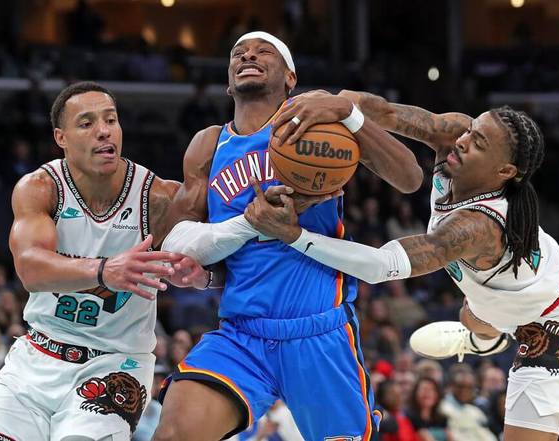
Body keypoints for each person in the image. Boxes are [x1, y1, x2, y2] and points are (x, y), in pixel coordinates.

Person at [244, 92, 559, 441]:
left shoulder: (479, 227)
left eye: (478, 143)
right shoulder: (456, 136)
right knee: (471, 317)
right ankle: (482, 339)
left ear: (505, 170)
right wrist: (338, 104)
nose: (463, 141)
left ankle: (485, 335)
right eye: (471, 130)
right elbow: (382, 111)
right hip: (499, 295)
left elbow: (381, 265)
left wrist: (294, 235)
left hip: (552, 317)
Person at [153, 31, 423, 441]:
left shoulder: (320, 124)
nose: (249, 55)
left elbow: (410, 178)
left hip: (319, 331)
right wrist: (230, 248)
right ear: (228, 82)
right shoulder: (209, 144)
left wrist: (349, 114)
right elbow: (176, 241)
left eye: (264, 51)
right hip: (241, 333)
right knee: (174, 434)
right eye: (239, 53)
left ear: (291, 78)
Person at [0, 82, 184, 441]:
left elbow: (212, 254)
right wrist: (104, 270)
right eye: (87, 123)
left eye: (111, 120)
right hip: (38, 357)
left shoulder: (158, 197)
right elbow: (29, 269)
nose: (104, 130)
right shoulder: (40, 188)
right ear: (61, 137)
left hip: (115, 364)